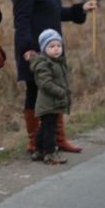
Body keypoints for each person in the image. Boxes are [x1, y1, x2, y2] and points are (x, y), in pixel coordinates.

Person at [10, 0, 96, 154]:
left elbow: (56, 13)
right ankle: (33, 141)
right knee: (34, 91)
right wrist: (27, 49)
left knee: (56, 90)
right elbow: (21, 19)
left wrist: (80, 9)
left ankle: (59, 138)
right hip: (34, 48)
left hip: (53, 47)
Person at [29, 29, 71, 165]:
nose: (56, 49)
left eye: (58, 46)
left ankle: (39, 150)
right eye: (51, 46)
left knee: (45, 127)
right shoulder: (44, 64)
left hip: (54, 102)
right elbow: (45, 83)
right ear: (43, 48)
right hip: (48, 102)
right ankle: (50, 152)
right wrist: (60, 92)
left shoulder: (58, 62)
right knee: (50, 128)